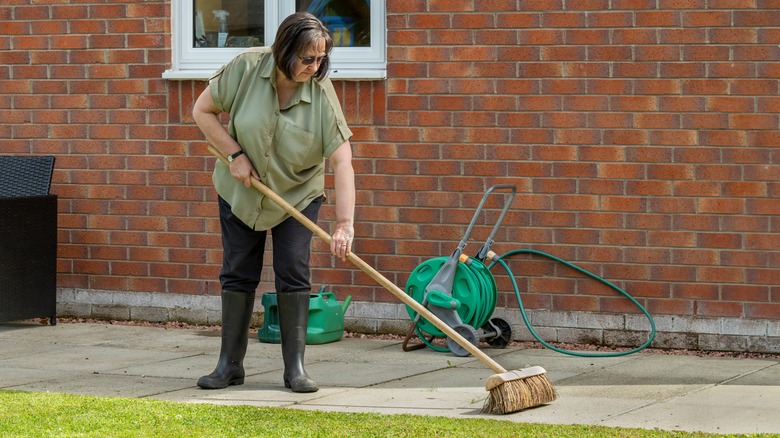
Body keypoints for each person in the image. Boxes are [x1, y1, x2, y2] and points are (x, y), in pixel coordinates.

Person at [191, 12, 355, 393]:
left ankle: (294, 369)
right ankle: (228, 366)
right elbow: (202, 112)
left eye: (321, 60)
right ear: (284, 50)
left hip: (298, 195)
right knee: (238, 271)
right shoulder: (246, 68)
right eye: (307, 59)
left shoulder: (321, 96)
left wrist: (344, 224)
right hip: (242, 191)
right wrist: (234, 155)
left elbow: (343, 160)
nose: (314, 68)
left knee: (293, 272)